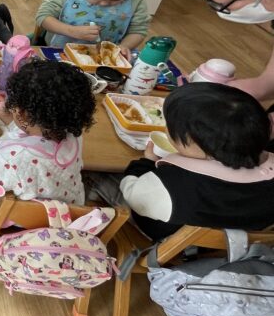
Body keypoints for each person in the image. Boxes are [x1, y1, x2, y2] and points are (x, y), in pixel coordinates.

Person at [100, 83, 274, 241]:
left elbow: (133, 194)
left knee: (104, 177)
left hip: (165, 239)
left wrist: (145, 163)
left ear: (194, 143)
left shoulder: (172, 183)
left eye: (169, 126)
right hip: (227, 247)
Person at [0, 60, 94, 210]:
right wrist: (8, 117)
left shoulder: (13, 159)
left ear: (22, 113)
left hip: (21, 224)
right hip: (63, 215)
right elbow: (37, 135)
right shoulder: (73, 135)